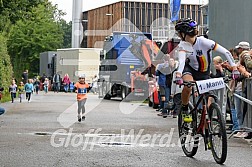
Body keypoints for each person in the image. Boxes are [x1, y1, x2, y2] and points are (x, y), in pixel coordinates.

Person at [174, 18, 239, 123]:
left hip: (204, 72)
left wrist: (235, 68)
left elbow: (226, 52)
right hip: (190, 70)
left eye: (179, 33)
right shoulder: (183, 45)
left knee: (206, 104)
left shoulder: (203, 42)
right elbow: (181, 62)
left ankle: (207, 133)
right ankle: (185, 109)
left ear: (183, 33)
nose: (178, 36)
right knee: (187, 85)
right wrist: (178, 75)